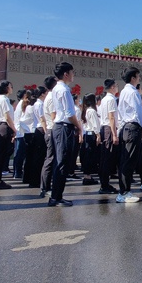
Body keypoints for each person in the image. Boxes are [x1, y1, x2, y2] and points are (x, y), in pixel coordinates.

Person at [48, 62, 81, 207]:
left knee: (60, 162)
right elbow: (70, 113)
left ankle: (57, 196)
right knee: (62, 163)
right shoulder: (64, 90)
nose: (73, 75)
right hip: (63, 127)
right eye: (72, 72)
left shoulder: (57, 88)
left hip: (60, 127)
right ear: (66, 74)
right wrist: (79, 126)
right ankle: (55, 197)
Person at [116, 66, 142, 203]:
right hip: (133, 127)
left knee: (126, 160)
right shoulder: (133, 92)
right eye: (138, 76)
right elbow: (139, 111)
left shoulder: (124, 91)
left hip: (126, 127)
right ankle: (124, 192)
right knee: (129, 161)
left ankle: (125, 191)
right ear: (133, 78)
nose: (139, 78)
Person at [0, 80, 15, 190]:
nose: (11, 88)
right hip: (4, 127)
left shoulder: (2, 99)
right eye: (10, 86)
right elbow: (7, 117)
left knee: (1, 155)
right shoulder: (4, 100)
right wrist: (14, 129)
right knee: (0, 155)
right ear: (6, 88)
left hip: (3, 127)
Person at [97, 79, 119, 195]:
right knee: (107, 158)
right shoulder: (111, 99)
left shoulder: (104, 99)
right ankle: (104, 185)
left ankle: (104, 183)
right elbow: (111, 117)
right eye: (116, 85)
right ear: (112, 87)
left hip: (105, 128)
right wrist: (114, 134)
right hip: (109, 129)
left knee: (105, 158)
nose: (117, 87)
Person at [25, 87, 48, 188]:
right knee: (39, 157)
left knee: (39, 157)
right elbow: (42, 119)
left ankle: (36, 180)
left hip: (38, 130)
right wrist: (46, 132)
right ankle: (35, 180)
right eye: (46, 93)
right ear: (42, 94)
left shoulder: (37, 104)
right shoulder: (39, 104)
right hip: (40, 129)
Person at [39, 76, 58, 198]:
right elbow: (53, 116)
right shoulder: (51, 98)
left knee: (51, 159)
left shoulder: (51, 96)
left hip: (52, 130)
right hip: (52, 130)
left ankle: (47, 186)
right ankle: (45, 188)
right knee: (50, 159)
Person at [80, 93, 101, 186]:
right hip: (92, 134)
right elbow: (95, 124)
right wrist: (98, 135)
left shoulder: (85, 110)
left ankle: (87, 176)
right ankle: (88, 176)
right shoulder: (92, 111)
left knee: (87, 155)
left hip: (87, 134)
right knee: (91, 156)